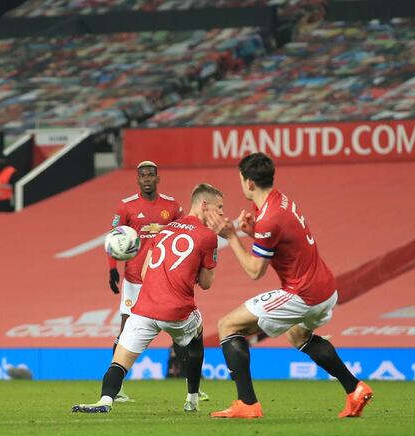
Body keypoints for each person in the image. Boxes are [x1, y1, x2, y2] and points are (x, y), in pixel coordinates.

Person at [205, 152, 373, 419]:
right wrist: (253, 232)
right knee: (298, 335)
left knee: (228, 325)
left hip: (303, 293)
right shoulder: (278, 201)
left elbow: (255, 271)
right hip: (325, 288)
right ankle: (354, 389)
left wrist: (231, 236)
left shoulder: (269, 217)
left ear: (248, 183)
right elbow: (282, 243)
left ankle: (247, 404)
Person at [74, 184, 223, 413]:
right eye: (219, 207)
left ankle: (104, 400)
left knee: (119, 362)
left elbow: (144, 273)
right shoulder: (207, 236)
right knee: (197, 336)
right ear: (204, 205)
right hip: (177, 311)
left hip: (144, 308)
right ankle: (192, 398)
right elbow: (206, 283)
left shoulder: (163, 230)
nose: (222, 213)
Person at [107, 160, 208, 403]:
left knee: (180, 335)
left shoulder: (172, 206)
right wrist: (112, 269)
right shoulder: (126, 207)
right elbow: (114, 239)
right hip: (134, 278)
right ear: (138, 179)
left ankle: (191, 387)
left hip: (164, 278)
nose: (147, 179)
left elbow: (188, 233)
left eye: (151, 175)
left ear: (158, 177)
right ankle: (117, 389)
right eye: (143, 175)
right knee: (125, 330)